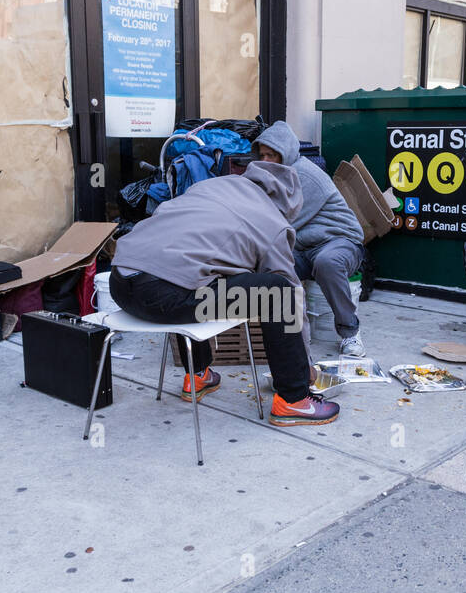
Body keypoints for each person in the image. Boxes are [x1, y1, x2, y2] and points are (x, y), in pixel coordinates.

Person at [110, 160, 340, 427]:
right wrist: (303, 363)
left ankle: (197, 375)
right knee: (278, 293)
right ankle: (294, 399)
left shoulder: (212, 186)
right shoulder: (274, 223)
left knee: (189, 272)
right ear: (288, 202)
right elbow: (290, 294)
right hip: (165, 298)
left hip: (121, 283)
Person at [252, 121, 367, 357]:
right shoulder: (274, 176)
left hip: (339, 241)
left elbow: (282, 224)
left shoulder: (304, 176)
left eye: (271, 155)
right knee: (273, 267)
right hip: (303, 245)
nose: (264, 160)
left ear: (285, 154)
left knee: (327, 262)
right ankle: (291, 337)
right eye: (261, 154)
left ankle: (350, 332)